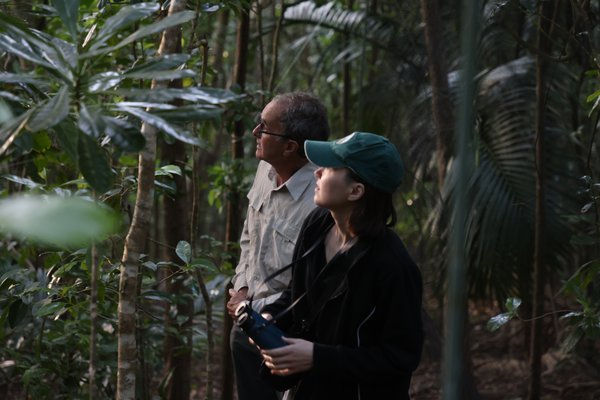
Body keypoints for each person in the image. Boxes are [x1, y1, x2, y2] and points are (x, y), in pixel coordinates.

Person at [259, 132, 424, 400]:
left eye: (331, 167)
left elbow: (400, 358)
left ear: (356, 191)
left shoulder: (393, 266)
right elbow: (299, 293)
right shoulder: (317, 225)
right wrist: (269, 318)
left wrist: (317, 357)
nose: (317, 173)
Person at [226, 92, 330, 400]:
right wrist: (242, 288)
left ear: (289, 147)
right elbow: (249, 236)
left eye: (264, 127)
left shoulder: (322, 198)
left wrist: (274, 319)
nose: (255, 132)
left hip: (288, 333)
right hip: (246, 321)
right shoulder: (264, 170)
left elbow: (318, 283)